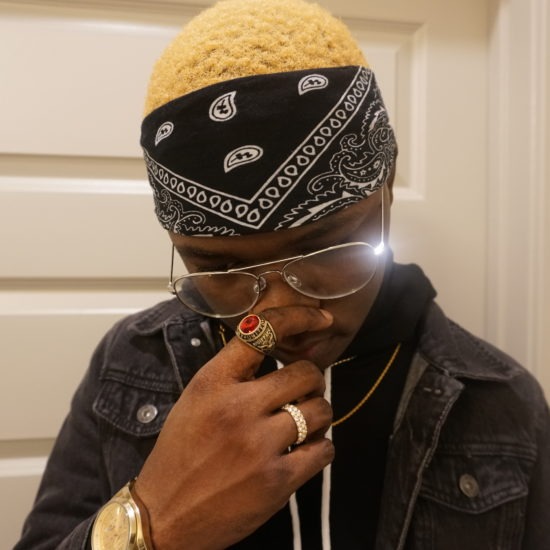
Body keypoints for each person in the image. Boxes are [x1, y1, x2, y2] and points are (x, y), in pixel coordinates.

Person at [15, 0, 550, 548]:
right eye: (220, 267)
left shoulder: (500, 402)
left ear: (386, 184)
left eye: (324, 248)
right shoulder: (132, 363)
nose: (275, 316)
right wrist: (155, 524)